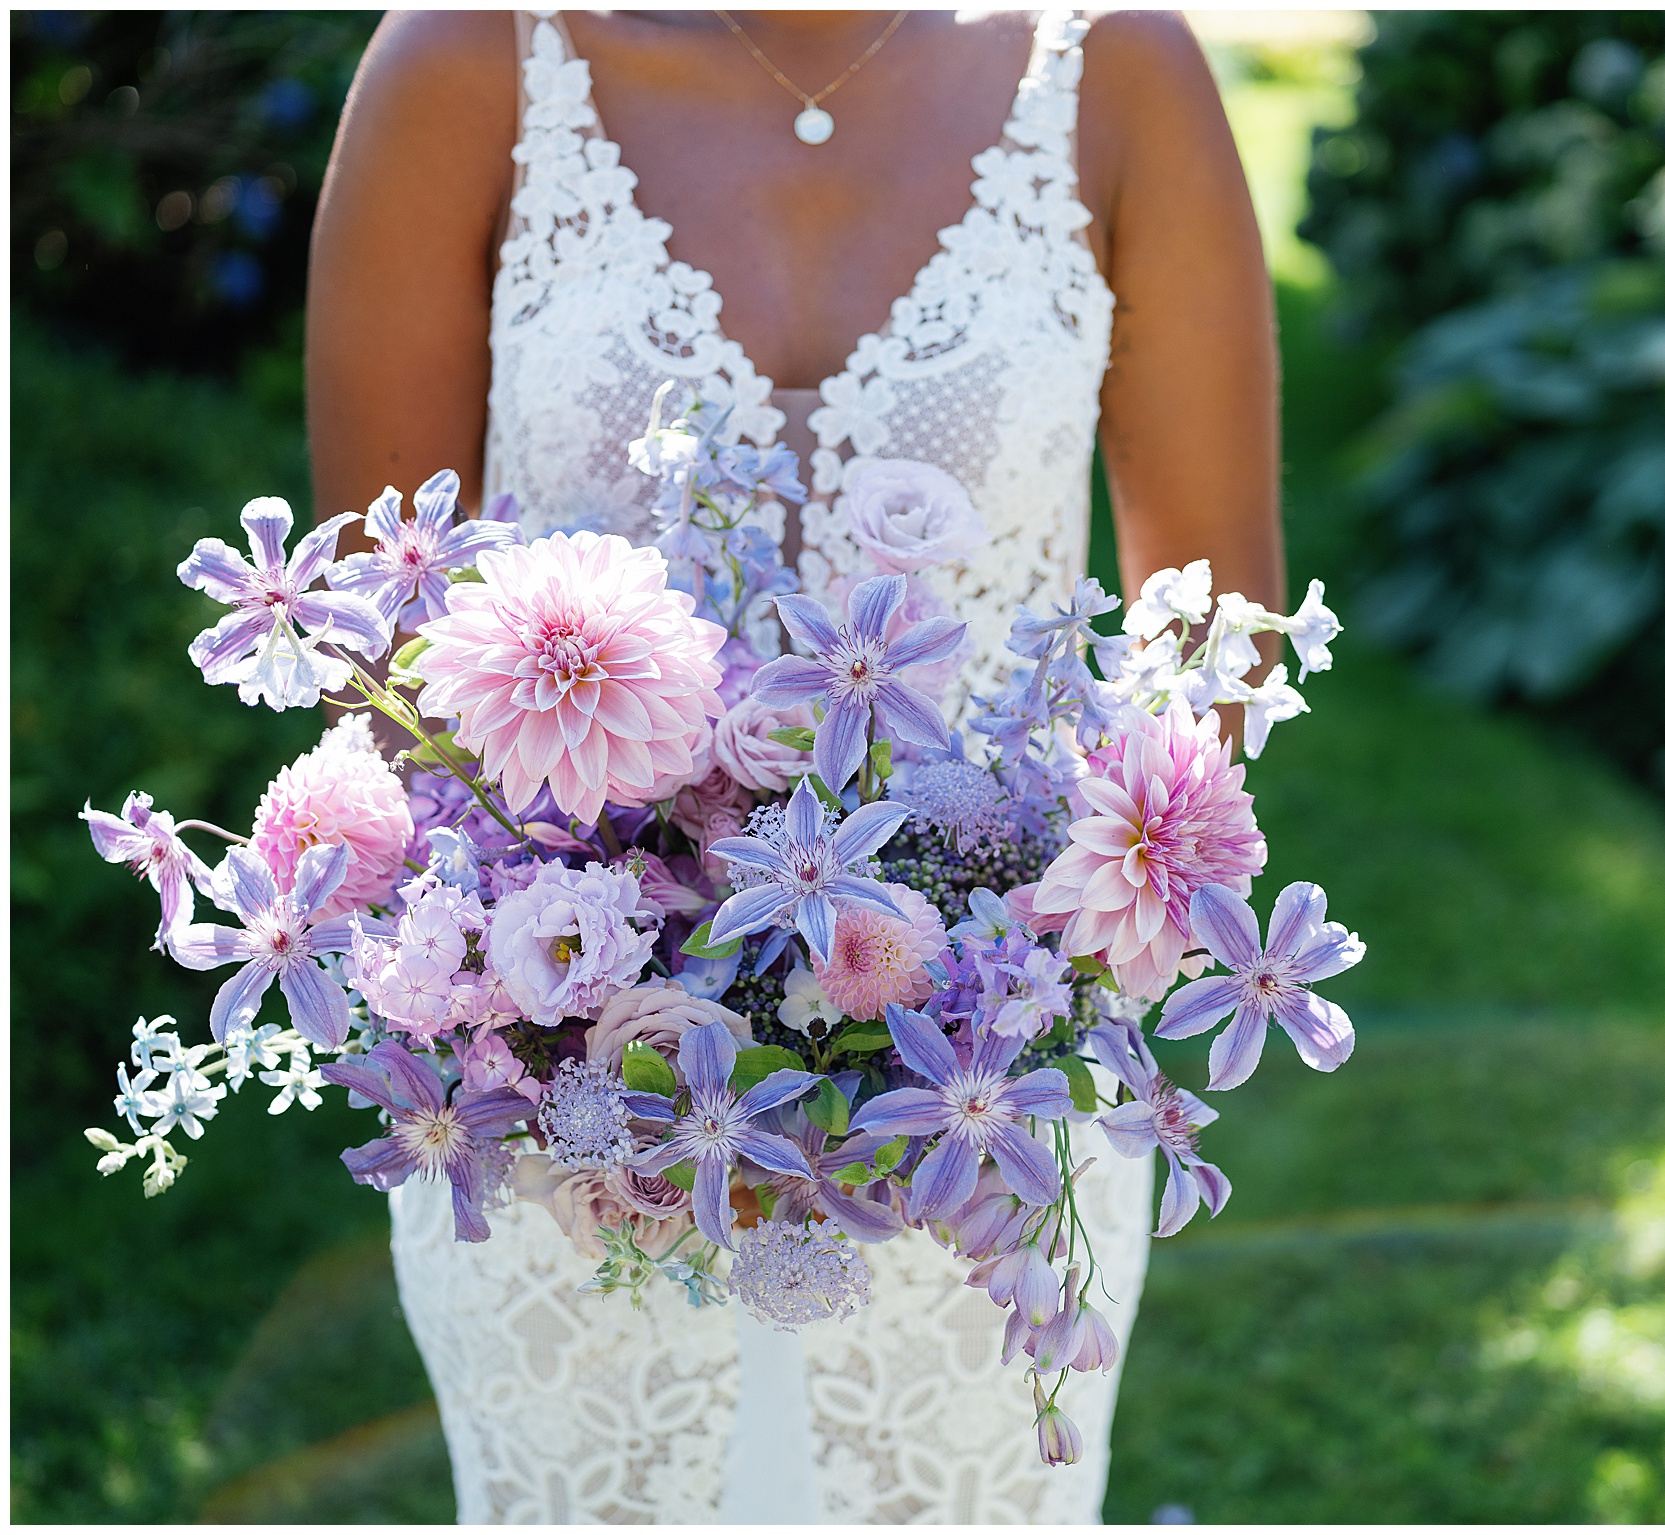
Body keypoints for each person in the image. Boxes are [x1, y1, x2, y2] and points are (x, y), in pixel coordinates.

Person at [306, 9, 1282, 1522]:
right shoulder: (468, 61)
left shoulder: (1116, 76)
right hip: (573, 1105)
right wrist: (550, 1015)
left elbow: (1214, 654)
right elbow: (382, 651)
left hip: (986, 1106)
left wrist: (1013, 973)